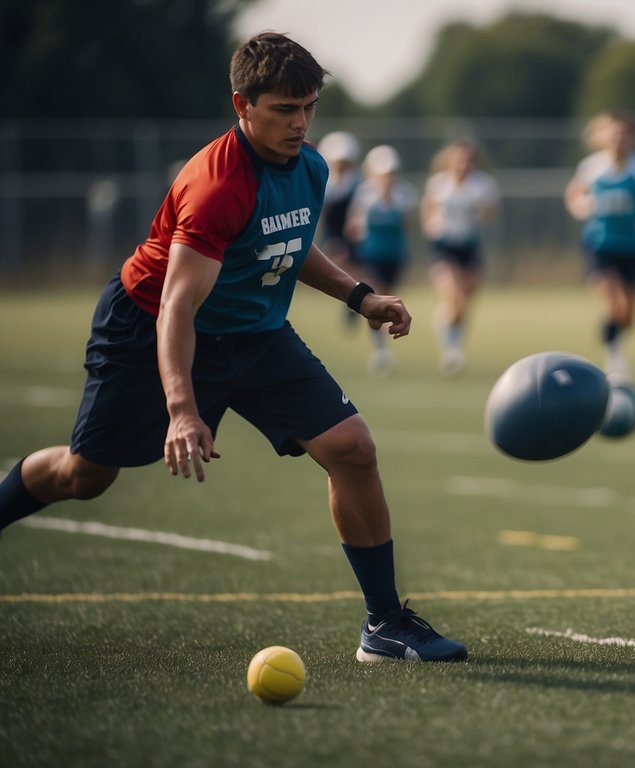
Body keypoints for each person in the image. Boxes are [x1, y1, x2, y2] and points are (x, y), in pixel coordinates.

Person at [0, 33, 467, 663]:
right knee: (86, 476)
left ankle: (384, 625)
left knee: (352, 448)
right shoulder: (217, 185)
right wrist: (183, 409)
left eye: (309, 107)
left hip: (255, 333)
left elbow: (290, 246)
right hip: (148, 327)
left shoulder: (313, 167)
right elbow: (176, 306)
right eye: (283, 109)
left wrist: (361, 297)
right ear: (241, 104)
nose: (300, 123)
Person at [564, 109, 635, 381]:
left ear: (631, 138)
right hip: (599, 245)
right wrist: (580, 205)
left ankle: (612, 339)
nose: (619, 138)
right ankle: (614, 357)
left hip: (633, 248)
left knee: (628, 317)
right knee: (615, 302)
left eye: (624, 133)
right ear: (604, 136)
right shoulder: (592, 167)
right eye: (614, 132)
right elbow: (574, 192)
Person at [421, 139, 499, 376]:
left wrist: (481, 212)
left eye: (467, 160)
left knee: (463, 304)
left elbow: (488, 213)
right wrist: (432, 225)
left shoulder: (482, 185)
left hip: (470, 248)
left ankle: (449, 333)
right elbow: (428, 209)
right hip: (444, 247)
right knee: (454, 295)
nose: (463, 164)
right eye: (459, 159)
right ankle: (451, 351)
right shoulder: (439, 184)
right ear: (450, 161)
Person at [345, 144, 417, 376]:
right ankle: (380, 351)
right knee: (376, 296)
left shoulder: (405, 194)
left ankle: (382, 347)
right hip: (372, 256)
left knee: (389, 299)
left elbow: (410, 224)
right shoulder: (365, 194)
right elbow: (353, 225)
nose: (387, 177)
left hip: (395, 256)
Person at [315, 130, 363, 329]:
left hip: (354, 235)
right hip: (333, 234)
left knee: (357, 269)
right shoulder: (324, 182)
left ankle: (353, 301)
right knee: (340, 260)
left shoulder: (357, 182)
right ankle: (353, 297)